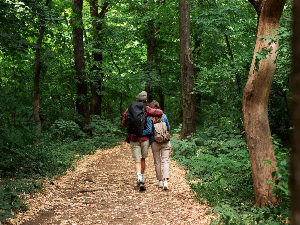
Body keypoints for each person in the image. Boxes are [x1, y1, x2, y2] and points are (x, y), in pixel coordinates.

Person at [122, 91, 163, 191]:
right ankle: (142, 178)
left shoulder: (129, 109)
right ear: (146, 101)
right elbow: (159, 113)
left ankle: (139, 179)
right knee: (143, 158)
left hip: (133, 138)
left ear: (137, 99)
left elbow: (124, 123)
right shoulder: (146, 108)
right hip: (144, 139)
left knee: (137, 160)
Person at [148, 100, 171, 190]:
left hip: (155, 142)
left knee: (157, 162)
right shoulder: (164, 116)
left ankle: (160, 181)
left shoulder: (149, 118)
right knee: (165, 161)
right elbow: (168, 128)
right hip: (165, 141)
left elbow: (149, 130)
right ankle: (166, 181)